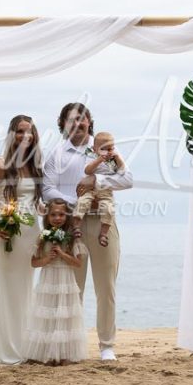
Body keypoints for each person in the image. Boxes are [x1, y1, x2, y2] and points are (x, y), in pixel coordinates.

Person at [42, 103, 133, 361]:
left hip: (104, 223)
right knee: (74, 288)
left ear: (89, 122)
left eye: (82, 120)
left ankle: (106, 346)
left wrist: (95, 181)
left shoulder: (105, 149)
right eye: (72, 120)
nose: (78, 124)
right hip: (75, 224)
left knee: (106, 287)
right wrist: (72, 202)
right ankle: (73, 345)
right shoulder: (57, 154)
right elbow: (47, 189)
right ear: (63, 123)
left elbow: (128, 179)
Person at [0, 115, 44, 365]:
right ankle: (5, 349)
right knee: (7, 290)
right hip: (8, 235)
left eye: (30, 131)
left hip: (30, 234)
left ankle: (24, 345)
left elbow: (35, 201)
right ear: (11, 134)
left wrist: (44, 210)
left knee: (25, 289)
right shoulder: (1, 165)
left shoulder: (35, 165)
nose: (26, 136)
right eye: (21, 131)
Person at [24, 198, 87, 366]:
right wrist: (47, 258)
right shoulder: (42, 237)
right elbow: (33, 262)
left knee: (64, 316)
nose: (57, 218)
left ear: (67, 216)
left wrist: (62, 254)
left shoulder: (72, 237)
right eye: (53, 215)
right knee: (48, 315)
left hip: (65, 279)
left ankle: (64, 354)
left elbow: (78, 263)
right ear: (47, 216)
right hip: (49, 278)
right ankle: (47, 353)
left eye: (61, 215)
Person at [71, 131, 126, 248]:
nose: (108, 152)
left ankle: (103, 234)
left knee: (109, 209)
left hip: (106, 190)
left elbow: (122, 171)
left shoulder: (114, 160)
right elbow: (88, 171)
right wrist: (99, 160)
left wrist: (118, 158)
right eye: (104, 149)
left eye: (111, 148)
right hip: (90, 189)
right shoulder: (91, 156)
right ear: (95, 149)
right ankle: (76, 226)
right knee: (82, 202)